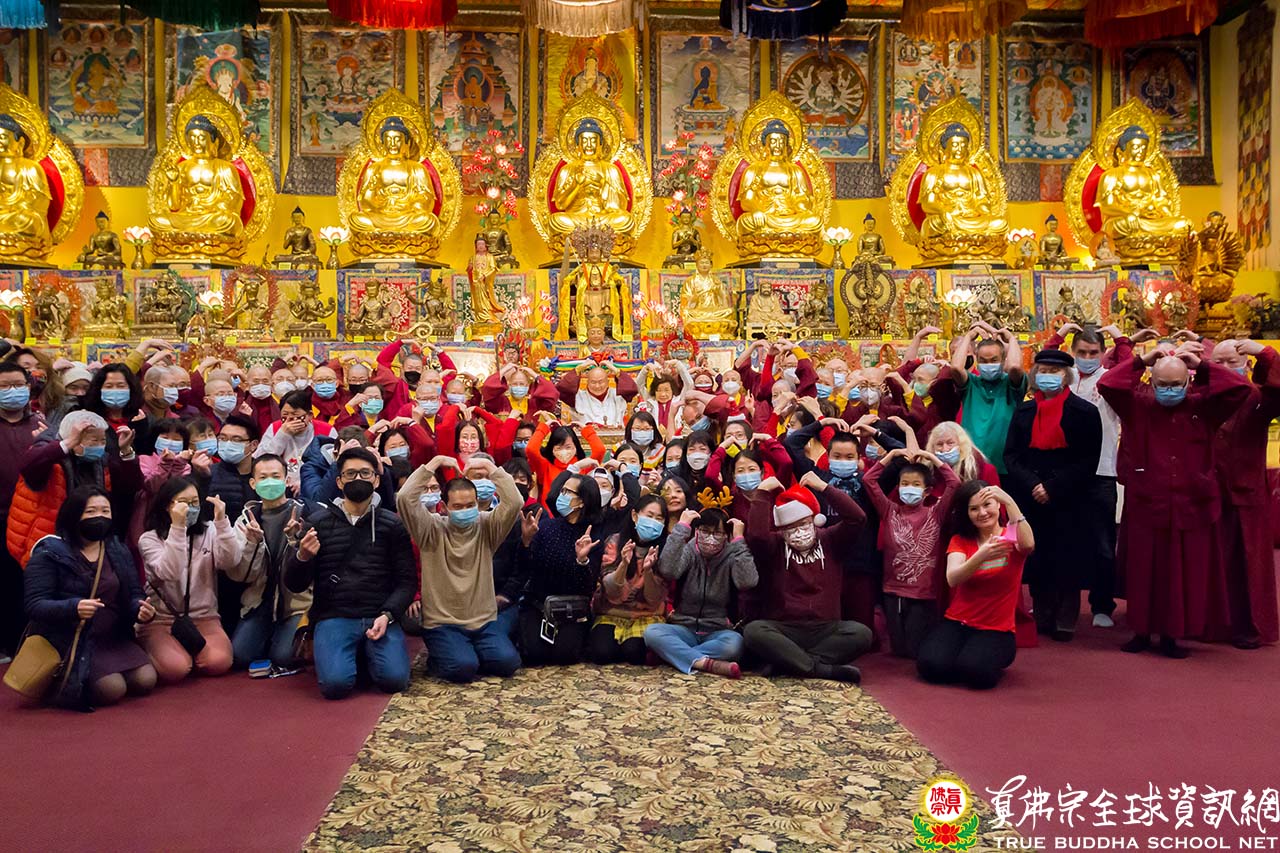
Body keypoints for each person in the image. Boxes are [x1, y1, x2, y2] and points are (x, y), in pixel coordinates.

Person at [1098, 340, 1251, 657]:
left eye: (1177, 384)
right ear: (1151, 383)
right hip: (1147, 503)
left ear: (1187, 382)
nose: (1170, 391)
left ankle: (1172, 635)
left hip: (1191, 504)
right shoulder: (1138, 404)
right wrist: (1141, 361)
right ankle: (1141, 632)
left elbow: (1240, 389)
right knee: (1144, 572)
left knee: (1182, 574)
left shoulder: (1203, 406)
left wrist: (1203, 366)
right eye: (1163, 385)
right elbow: (1108, 384)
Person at [283, 447, 416, 699]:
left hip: (379, 614)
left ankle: (363, 654)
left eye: (365, 473)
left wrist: (388, 615)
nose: (358, 479)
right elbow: (295, 584)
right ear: (339, 481)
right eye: (350, 473)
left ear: (376, 480)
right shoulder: (318, 523)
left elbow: (407, 581)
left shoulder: (392, 524)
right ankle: (356, 655)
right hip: (335, 616)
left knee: (394, 680)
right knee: (335, 686)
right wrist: (302, 557)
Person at [24, 486, 158, 707]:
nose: (99, 517)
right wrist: (73, 607)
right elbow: (34, 604)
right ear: (74, 514)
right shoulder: (49, 552)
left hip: (112, 637)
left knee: (146, 680)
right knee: (113, 689)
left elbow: (134, 593)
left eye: (105, 511)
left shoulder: (117, 549)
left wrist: (140, 609)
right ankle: (59, 685)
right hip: (72, 640)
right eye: (91, 511)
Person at [1003, 349, 1102, 641]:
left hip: (1068, 496)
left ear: (1066, 376)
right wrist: (1033, 483)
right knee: (1038, 554)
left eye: (1054, 371)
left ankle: (1066, 615)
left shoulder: (1084, 412)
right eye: (1043, 371)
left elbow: (1088, 459)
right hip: (1030, 493)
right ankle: (1043, 610)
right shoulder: (1024, 412)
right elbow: (1011, 455)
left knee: (1067, 554)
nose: (1048, 376)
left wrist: (1054, 487)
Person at [397, 455, 524, 683]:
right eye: (457, 506)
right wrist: (434, 463)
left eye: (470, 505)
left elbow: (515, 502)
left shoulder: (487, 526)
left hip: (483, 621)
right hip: (443, 622)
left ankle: (467, 651)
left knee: (507, 663)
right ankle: (446, 656)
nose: (465, 511)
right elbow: (405, 499)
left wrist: (491, 467)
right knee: (462, 668)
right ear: (445, 507)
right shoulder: (430, 529)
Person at [743, 474, 873, 682]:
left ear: (814, 521)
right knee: (753, 631)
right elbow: (757, 536)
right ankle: (820, 669)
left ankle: (788, 662)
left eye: (803, 524)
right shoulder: (775, 545)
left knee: (862, 633)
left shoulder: (831, 539)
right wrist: (763, 492)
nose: (798, 532)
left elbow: (857, 518)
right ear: (781, 530)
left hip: (826, 628)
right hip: (784, 628)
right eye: (790, 527)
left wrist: (824, 487)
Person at [1045, 323, 1129, 627]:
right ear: (1073, 351)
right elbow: (1043, 364)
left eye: (1094, 352)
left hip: (1101, 472)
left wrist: (1121, 339)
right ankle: (1054, 604)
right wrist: (1057, 337)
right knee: (1057, 539)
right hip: (1063, 473)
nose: (1087, 357)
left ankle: (1101, 605)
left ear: (1103, 353)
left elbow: (1131, 372)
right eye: (1081, 352)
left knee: (1103, 544)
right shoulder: (1063, 379)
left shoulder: (1110, 380)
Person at [917, 481, 1034, 689]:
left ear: (998, 505)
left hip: (997, 629)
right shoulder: (961, 540)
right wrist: (982, 555)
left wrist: (1009, 500)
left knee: (976, 673)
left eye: (987, 505)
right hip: (958, 622)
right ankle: (962, 658)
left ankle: (978, 659)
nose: (982, 513)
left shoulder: (1010, 536)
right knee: (930, 666)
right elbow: (953, 578)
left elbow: (1028, 545)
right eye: (974, 509)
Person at [1210, 339, 1280, 648]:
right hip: (1208, 493)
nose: (1226, 369)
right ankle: (1209, 623)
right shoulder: (1202, 396)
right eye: (1219, 363)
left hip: (1246, 493)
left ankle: (1251, 627)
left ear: (1246, 365)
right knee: (1211, 562)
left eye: (1232, 362)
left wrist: (1265, 354)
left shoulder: (1258, 398)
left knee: (1249, 564)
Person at [136, 477, 240, 683]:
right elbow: (170, 572)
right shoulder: (149, 539)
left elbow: (230, 561)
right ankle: (157, 648)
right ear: (167, 505)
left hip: (204, 617)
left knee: (219, 662)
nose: (190, 508)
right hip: (162, 619)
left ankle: (188, 652)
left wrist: (222, 522)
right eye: (183, 502)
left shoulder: (210, 530)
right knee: (176, 669)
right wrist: (178, 527)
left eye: (194, 502)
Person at [863, 448, 961, 659]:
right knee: (898, 650)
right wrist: (891, 456)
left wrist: (932, 458)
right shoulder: (889, 510)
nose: (909, 488)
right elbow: (869, 480)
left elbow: (954, 483)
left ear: (927, 491)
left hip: (923, 593)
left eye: (916, 484)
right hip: (892, 589)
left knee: (916, 650)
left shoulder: (935, 513)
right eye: (905, 484)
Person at [10, 410, 142, 566]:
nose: (99, 446)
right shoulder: (50, 456)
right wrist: (68, 443)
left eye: (103, 440)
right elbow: (28, 466)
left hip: (89, 541)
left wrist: (126, 451)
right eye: (93, 440)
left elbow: (131, 486)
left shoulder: (102, 461)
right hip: (45, 541)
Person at [645, 506, 758, 678]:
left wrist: (739, 540)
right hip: (683, 627)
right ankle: (706, 663)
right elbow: (668, 570)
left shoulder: (732, 555)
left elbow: (747, 581)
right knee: (652, 633)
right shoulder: (689, 550)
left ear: (726, 535)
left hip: (717, 631)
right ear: (697, 531)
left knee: (735, 644)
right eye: (705, 531)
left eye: (717, 533)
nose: (711, 538)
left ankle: (673, 655)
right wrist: (681, 528)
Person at [227, 454, 311, 671]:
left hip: (296, 604)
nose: (270, 482)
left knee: (283, 657)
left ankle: (285, 638)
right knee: (240, 655)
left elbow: (309, 567)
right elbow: (240, 575)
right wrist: (252, 544)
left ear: (286, 480)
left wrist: (296, 539)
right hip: (259, 601)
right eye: (263, 477)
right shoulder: (245, 520)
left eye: (275, 476)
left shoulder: (306, 514)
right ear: (253, 483)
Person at [520, 471, 604, 665]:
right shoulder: (546, 527)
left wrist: (581, 561)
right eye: (562, 490)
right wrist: (526, 542)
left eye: (567, 492)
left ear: (581, 501)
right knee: (533, 656)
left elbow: (587, 587)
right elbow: (525, 568)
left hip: (571, 609)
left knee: (565, 657)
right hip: (538, 604)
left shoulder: (593, 536)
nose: (561, 495)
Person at [588, 494, 669, 665]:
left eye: (659, 518)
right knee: (602, 653)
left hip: (647, 615)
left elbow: (654, 599)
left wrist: (648, 571)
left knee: (633, 653)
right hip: (611, 613)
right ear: (634, 515)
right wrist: (623, 565)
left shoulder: (664, 549)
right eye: (649, 515)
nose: (653, 522)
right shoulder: (615, 542)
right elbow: (611, 591)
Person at [0, 361, 44, 657]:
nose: (12, 391)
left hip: (32, 517)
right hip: (0, 514)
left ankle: (22, 642)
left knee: (27, 582)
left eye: (18, 384)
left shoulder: (40, 424)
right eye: (4, 386)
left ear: (29, 387)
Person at [947, 324, 1026, 475]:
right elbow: (956, 368)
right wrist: (968, 337)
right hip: (972, 465)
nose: (989, 364)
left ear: (1003, 360)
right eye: (983, 360)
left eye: (994, 360)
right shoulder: (971, 384)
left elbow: (1015, 367)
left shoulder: (1010, 384)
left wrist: (1011, 339)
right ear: (976, 360)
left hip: (1006, 466)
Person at [925, 421, 1000, 485]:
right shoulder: (927, 471)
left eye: (950, 443)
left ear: (962, 444)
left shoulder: (986, 470)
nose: (945, 449)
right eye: (939, 444)